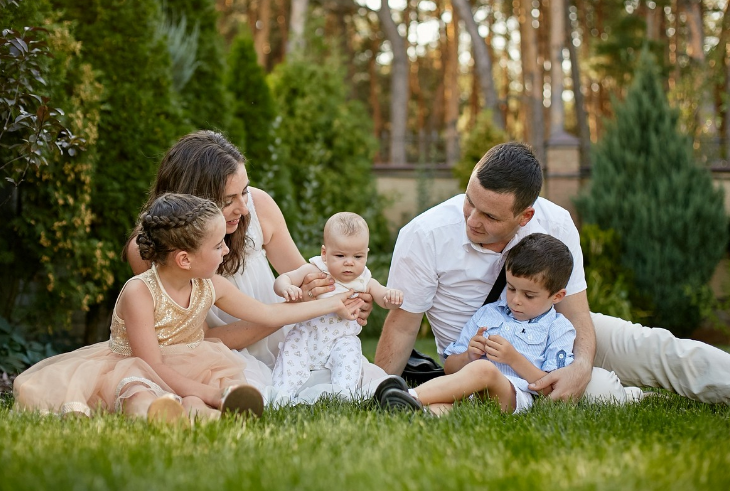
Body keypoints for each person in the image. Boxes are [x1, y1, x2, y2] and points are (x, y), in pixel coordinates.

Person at [375, 142, 730, 404]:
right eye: (470, 201)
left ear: (525, 216)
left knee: (654, 347)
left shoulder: (555, 222)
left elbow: (576, 313)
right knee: (602, 392)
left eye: (490, 216)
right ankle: (640, 398)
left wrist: (580, 364)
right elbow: (403, 326)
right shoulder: (423, 235)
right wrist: (377, 390)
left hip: (556, 332)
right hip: (489, 360)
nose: (472, 219)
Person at [14, 194, 362, 421]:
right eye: (217, 246)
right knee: (137, 390)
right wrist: (209, 391)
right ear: (184, 259)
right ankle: (154, 413)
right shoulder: (140, 292)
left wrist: (332, 303)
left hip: (191, 363)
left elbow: (270, 314)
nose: (227, 252)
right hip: (136, 366)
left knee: (195, 401)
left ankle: (200, 417)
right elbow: (151, 364)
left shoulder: (209, 285)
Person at [125, 131, 390, 404]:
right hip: (223, 354)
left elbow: (314, 279)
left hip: (291, 340)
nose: (244, 208)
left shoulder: (258, 205)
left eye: (245, 191)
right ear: (194, 201)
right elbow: (202, 338)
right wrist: (294, 311)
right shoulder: (155, 248)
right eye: (228, 200)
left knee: (361, 380)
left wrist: (350, 297)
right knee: (251, 393)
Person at [377, 233, 576, 415]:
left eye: (529, 295)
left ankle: (407, 395)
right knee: (443, 407)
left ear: (557, 296)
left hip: (516, 398)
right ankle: (410, 412)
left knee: (485, 370)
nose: (515, 300)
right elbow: (450, 369)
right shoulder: (488, 314)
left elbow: (552, 390)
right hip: (472, 394)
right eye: (511, 288)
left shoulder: (559, 329)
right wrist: (468, 356)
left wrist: (514, 359)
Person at [272, 212, 404, 398]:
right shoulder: (316, 270)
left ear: (366, 254)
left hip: (341, 339)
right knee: (292, 352)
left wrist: (391, 296)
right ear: (325, 254)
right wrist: (286, 287)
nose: (349, 262)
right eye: (340, 255)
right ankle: (282, 394)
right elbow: (283, 278)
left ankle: (343, 394)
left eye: (357, 257)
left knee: (349, 355)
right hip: (308, 335)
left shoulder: (364, 279)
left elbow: (382, 297)